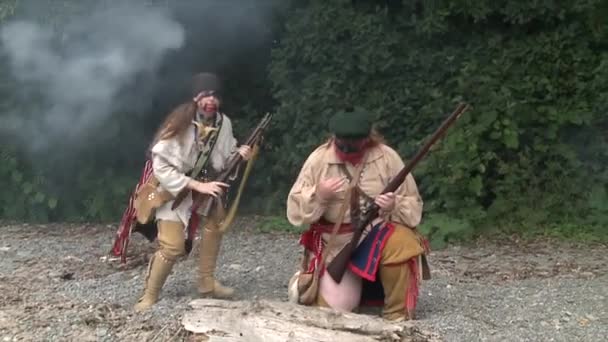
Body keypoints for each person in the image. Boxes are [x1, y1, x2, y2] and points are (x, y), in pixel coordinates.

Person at [286, 108, 430, 321]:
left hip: (377, 236)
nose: (347, 147)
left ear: (367, 138)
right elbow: (295, 211)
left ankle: (397, 316)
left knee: (402, 243)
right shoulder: (318, 160)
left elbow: (413, 205)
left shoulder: (387, 157)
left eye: (354, 141)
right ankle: (307, 281)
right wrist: (319, 195)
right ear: (334, 137)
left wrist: (393, 204)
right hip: (336, 245)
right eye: (342, 140)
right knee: (333, 312)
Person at [134, 72, 252, 312]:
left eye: (215, 96)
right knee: (172, 247)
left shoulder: (223, 123)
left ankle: (206, 284)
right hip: (171, 190)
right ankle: (150, 294)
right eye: (206, 96)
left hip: (205, 187)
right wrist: (196, 185)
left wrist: (239, 156)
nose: (211, 101)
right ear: (196, 98)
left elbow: (223, 162)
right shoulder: (179, 123)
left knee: (215, 225)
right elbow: (162, 166)